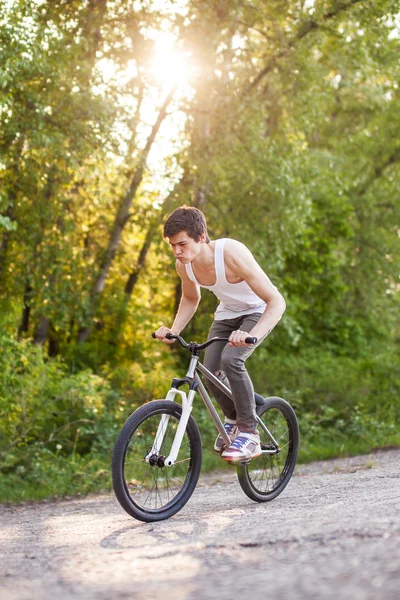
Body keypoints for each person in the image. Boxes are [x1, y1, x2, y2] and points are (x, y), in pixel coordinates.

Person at [154, 206, 286, 462]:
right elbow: (191, 298)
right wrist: (173, 331)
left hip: (257, 309)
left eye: (182, 244)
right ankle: (234, 419)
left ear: (201, 236)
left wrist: (252, 336)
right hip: (227, 314)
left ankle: (249, 432)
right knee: (211, 370)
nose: (177, 251)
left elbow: (276, 301)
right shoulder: (185, 265)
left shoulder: (231, 253)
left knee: (232, 359)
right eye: (172, 246)